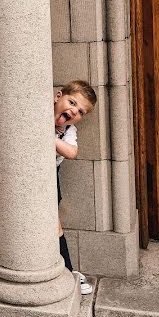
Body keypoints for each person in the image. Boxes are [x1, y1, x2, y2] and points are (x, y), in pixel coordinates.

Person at [54, 80, 97, 295]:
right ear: (58, 96)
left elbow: (71, 153)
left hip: (51, 177)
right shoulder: (39, 115)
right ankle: (67, 271)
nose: (73, 111)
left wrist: (48, 137)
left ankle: (68, 272)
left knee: (54, 223)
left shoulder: (68, 130)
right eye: (71, 102)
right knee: (53, 223)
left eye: (80, 111)